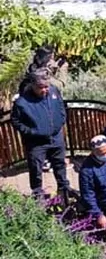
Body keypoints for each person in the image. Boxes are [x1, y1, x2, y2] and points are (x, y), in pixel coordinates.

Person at [10, 68, 72, 198]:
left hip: (56, 138)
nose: (45, 90)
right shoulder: (22, 102)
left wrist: (61, 121)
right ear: (32, 85)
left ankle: (64, 190)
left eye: (46, 86)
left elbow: (61, 107)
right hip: (36, 143)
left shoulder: (54, 91)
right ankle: (38, 195)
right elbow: (15, 121)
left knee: (60, 164)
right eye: (41, 87)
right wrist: (31, 132)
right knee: (36, 169)